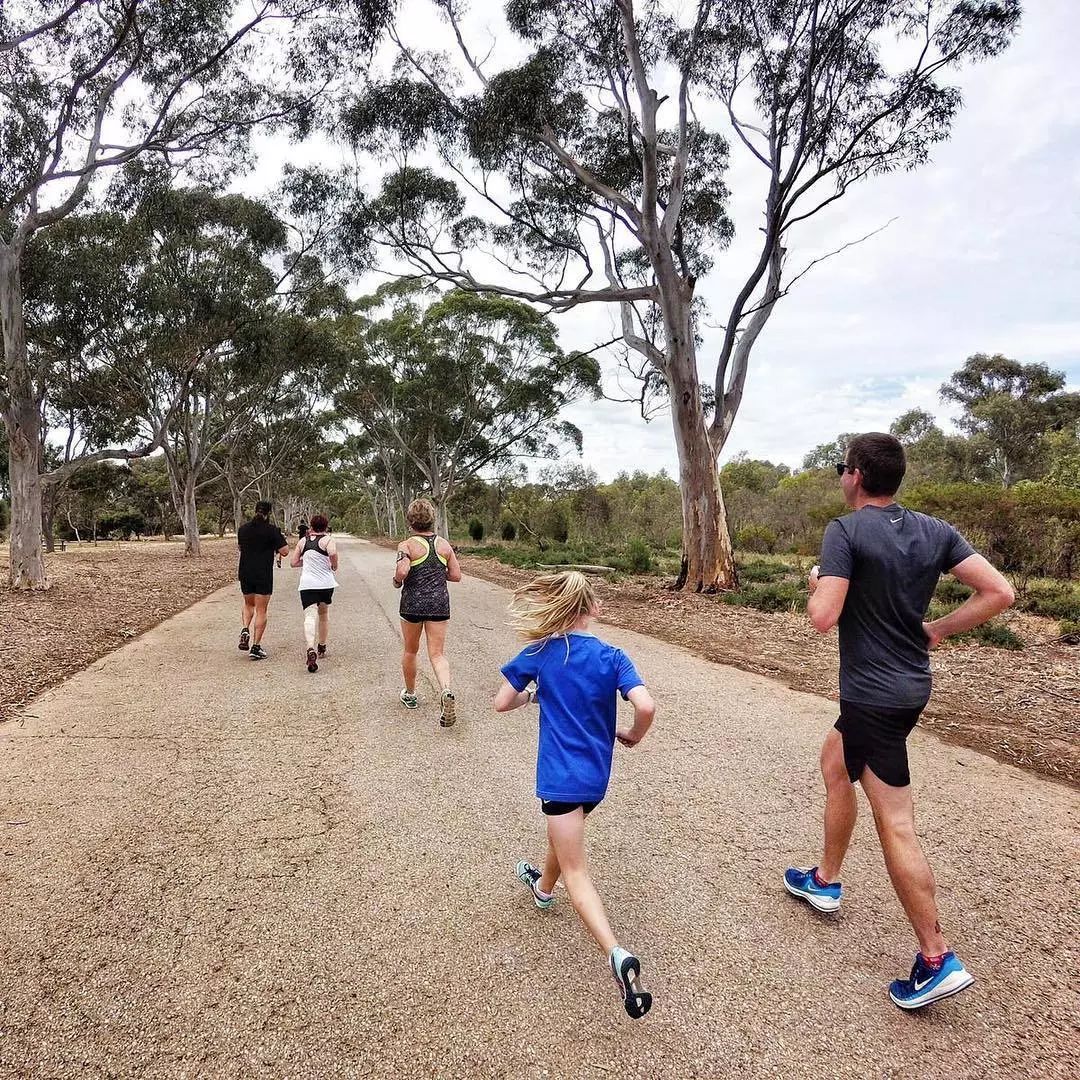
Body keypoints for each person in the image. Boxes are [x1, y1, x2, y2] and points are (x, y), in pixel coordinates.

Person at [785, 432, 1014, 1011]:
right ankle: (826, 880)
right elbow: (998, 593)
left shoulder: (844, 533)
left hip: (872, 698)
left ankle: (936, 957)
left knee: (896, 822)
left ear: (857, 475)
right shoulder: (936, 530)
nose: (841, 477)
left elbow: (822, 618)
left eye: (842, 469)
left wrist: (817, 584)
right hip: (909, 689)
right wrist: (936, 630)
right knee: (835, 762)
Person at [495, 571, 657, 1020]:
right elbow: (645, 706)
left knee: (577, 871)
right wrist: (633, 736)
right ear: (595, 609)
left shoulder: (543, 652)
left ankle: (617, 954)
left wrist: (533, 696)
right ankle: (542, 889)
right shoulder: (613, 655)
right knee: (562, 840)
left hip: (560, 780)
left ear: (558, 610)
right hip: (595, 780)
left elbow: (501, 702)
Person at [393, 498, 462, 726]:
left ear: (410, 521)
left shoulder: (406, 545)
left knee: (411, 651)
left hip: (412, 605)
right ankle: (445, 690)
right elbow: (455, 575)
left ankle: (410, 694)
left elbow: (402, 572)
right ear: (431, 519)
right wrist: (436, 574)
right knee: (437, 654)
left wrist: (396, 580)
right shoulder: (444, 545)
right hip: (439, 604)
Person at [236, 501, 289, 661]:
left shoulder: (243, 529)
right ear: (269, 513)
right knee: (261, 610)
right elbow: (285, 552)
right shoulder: (272, 531)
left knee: (248, 604)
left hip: (245, 571)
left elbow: (240, 547)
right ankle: (256, 647)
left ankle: (245, 628)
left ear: (255, 511)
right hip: (263, 573)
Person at [289, 513, 338, 673]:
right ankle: (322, 646)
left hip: (307, 584)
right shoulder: (328, 540)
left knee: (310, 615)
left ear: (311, 526)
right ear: (325, 526)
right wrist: (333, 565)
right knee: (323, 615)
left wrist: (308, 560)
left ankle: (310, 647)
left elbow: (293, 562)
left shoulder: (303, 542)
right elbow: (332, 556)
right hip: (325, 584)